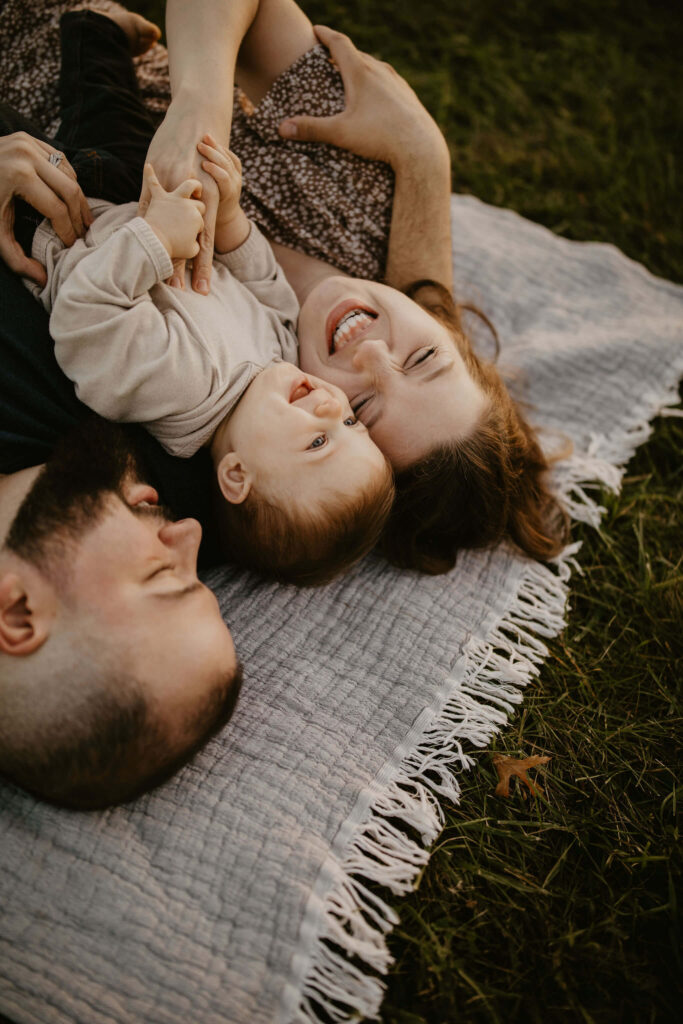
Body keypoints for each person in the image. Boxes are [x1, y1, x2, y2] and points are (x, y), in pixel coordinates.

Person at [135, 0, 570, 574]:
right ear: (446, 324)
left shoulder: (200, 378)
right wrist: (201, 106)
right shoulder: (359, 200)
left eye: (359, 410)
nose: (371, 355)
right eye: (423, 356)